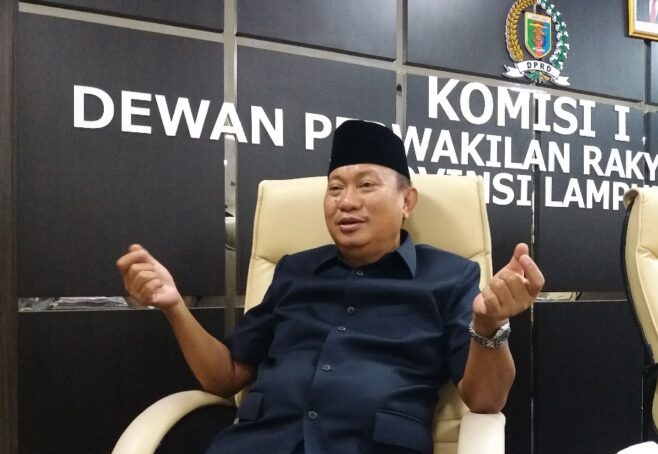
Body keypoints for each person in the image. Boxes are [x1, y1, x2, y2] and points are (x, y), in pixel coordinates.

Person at [116, 120, 544, 454]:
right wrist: (174, 306)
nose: (346, 202)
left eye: (366, 185)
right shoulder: (294, 271)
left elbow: (486, 400)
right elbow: (224, 376)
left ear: (407, 201)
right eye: (335, 188)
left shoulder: (449, 276)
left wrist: (488, 326)